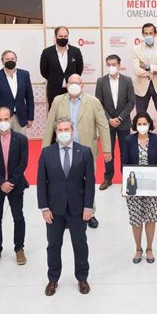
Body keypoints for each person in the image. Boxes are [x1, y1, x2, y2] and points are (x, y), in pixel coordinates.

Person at [43, 74, 111, 228]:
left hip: (86, 151)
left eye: (77, 83)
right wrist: (45, 149)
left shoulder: (93, 102)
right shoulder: (58, 100)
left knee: (88, 182)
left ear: (82, 85)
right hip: (63, 150)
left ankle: (90, 213)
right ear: (66, 85)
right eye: (70, 82)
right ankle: (66, 213)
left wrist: (107, 149)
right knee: (65, 182)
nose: (73, 85)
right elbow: (49, 125)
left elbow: (103, 126)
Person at [38, 117, 95, 296]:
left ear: (72, 131)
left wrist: (88, 207)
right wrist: (44, 208)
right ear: (56, 133)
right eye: (60, 130)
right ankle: (53, 279)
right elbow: (41, 182)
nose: (63, 133)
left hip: (78, 209)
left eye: (66, 129)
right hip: (54, 209)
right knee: (53, 245)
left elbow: (90, 183)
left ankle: (82, 278)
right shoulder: (47, 153)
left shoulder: (84, 152)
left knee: (80, 244)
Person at [0, 107, 29, 267]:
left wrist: (12, 182)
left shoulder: (21, 139)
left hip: (16, 185)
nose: (3, 122)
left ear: (11, 119)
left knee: (18, 217)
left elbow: (23, 163)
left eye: (5, 119)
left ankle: (19, 249)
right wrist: (1, 182)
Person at [121, 112, 157, 264]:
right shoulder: (128, 140)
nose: (142, 126)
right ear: (135, 125)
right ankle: (138, 248)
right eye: (139, 124)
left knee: (151, 217)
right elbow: (124, 163)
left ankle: (149, 248)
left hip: (153, 186)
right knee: (136, 218)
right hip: (134, 186)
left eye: (144, 123)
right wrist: (125, 187)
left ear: (149, 125)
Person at [95, 54, 136, 190]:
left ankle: (126, 178)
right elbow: (98, 102)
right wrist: (108, 119)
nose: (111, 67)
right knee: (108, 150)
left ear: (119, 65)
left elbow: (131, 102)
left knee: (125, 151)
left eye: (114, 64)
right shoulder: (101, 81)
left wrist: (120, 118)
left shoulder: (127, 80)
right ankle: (108, 178)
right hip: (107, 123)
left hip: (123, 122)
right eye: (109, 64)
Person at [131, 23, 157, 154]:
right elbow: (137, 70)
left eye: (150, 33)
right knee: (140, 119)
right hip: (142, 88)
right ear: (142, 34)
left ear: (155, 34)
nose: (148, 36)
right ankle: (140, 145)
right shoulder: (136, 49)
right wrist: (156, 68)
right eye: (146, 33)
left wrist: (147, 66)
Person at [0, 50, 34, 134]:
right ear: (2, 61)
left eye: (12, 59)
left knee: (20, 143)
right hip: (3, 118)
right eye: (7, 59)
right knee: (3, 145)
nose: (10, 61)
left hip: (21, 118)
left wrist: (30, 117)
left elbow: (29, 97)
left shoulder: (24, 75)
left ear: (16, 60)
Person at [40, 26, 84, 110]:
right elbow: (44, 71)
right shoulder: (47, 52)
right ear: (55, 37)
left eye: (65, 36)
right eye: (60, 36)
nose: (63, 38)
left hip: (72, 89)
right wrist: (55, 78)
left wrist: (72, 80)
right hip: (54, 90)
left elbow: (79, 70)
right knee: (55, 114)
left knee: (73, 112)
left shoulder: (75, 51)